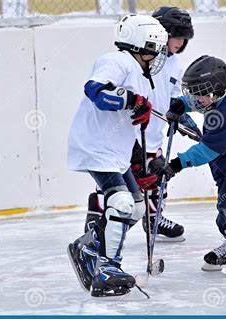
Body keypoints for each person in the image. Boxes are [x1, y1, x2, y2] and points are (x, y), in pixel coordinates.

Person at [66, 14, 168, 297]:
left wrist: (138, 161)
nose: (157, 56)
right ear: (141, 45)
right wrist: (132, 101)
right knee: (121, 202)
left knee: (135, 207)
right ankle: (108, 267)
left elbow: (128, 121)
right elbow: (96, 91)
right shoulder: (118, 60)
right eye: (153, 49)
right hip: (96, 147)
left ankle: (89, 247)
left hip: (116, 152)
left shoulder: (142, 74)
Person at [84, 7, 198, 243]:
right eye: (177, 35)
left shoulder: (175, 64)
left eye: (184, 36)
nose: (181, 41)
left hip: (154, 134)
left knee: (157, 178)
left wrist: (181, 115)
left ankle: (154, 218)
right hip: (131, 133)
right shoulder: (140, 61)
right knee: (124, 183)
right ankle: (99, 213)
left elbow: (173, 97)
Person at [149, 55, 226, 273]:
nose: (195, 98)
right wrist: (179, 105)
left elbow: (207, 150)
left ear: (216, 90)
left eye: (200, 94)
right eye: (192, 93)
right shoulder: (216, 98)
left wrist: (176, 164)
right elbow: (196, 102)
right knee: (225, 201)